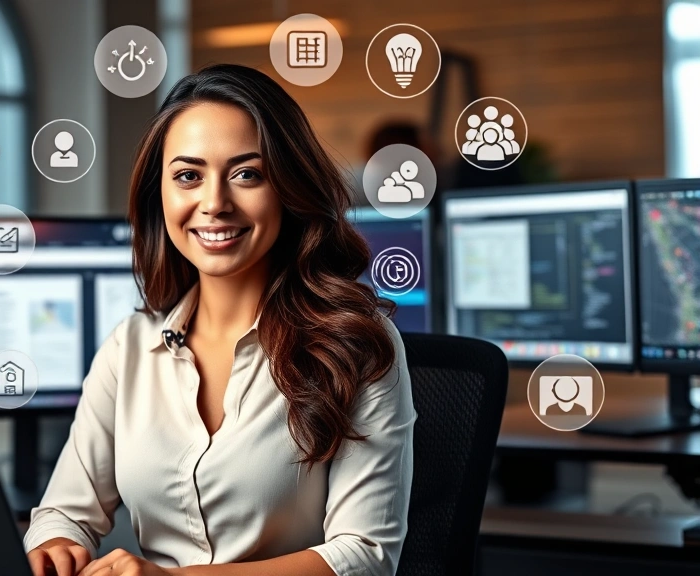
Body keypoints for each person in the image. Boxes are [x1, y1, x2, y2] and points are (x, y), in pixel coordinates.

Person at [24, 64, 416, 576]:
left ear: (289, 187)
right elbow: (65, 511)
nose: (214, 204)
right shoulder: (131, 346)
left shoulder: (356, 344)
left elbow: (365, 555)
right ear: (160, 194)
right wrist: (57, 543)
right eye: (188, 176)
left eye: (247, 174)